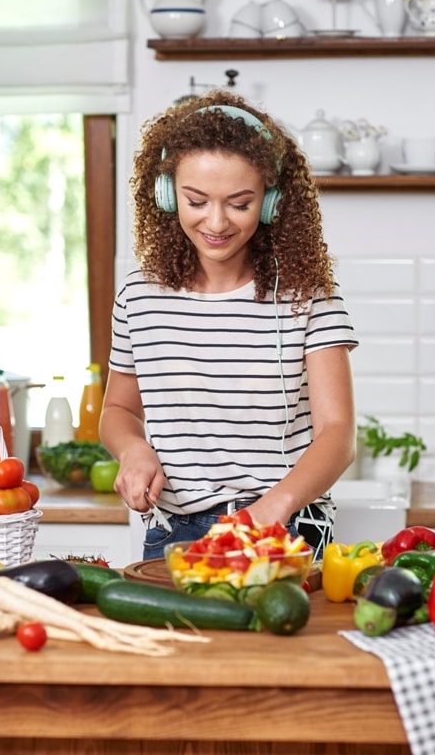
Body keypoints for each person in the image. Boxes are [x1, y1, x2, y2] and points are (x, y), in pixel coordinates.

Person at [99, 90, 358, 561]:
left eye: (239, 204)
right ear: (164, 193)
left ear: (271, 202)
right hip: (174, 529)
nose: (215, 222)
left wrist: (270, 509)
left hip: (285, 525)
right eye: (196, 200)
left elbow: (338, 434)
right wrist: (134, 450)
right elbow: (117, 409)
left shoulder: (307, 295)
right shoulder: (137, 296)